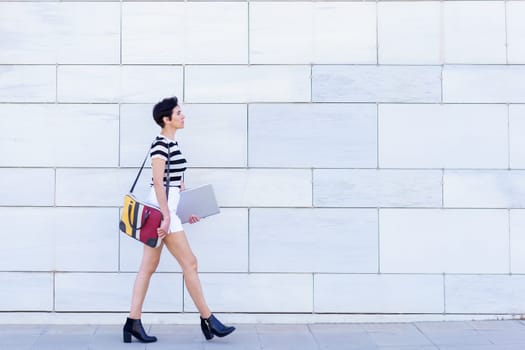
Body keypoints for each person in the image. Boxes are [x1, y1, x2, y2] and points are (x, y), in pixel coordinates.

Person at [123, 96, 235, 343]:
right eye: (178, 113)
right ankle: (208, 319)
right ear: (166, 119)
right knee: (190, 263)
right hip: (162, 209)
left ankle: (133, 322)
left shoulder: (173, 144)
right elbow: (159, 184)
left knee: (147, 268)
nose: (183, 116)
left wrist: (185, 212)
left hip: (169, 210)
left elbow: (175, 187)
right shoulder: (160, 145)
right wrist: (165, 217)